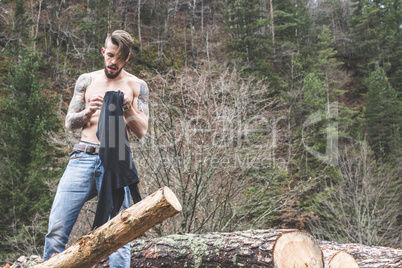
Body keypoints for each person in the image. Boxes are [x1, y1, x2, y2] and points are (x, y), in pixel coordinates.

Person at [43, 30, 149, 267]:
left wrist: (128, 109)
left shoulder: (137, 85)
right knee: (57, 228)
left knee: (119, 234)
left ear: (127, 58)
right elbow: (69, 123)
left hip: (117, 158)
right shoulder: (86, 80)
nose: (114, 62)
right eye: (110, 55)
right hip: (82, 155)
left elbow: (141, 132)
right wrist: (87, 112)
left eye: (120, 58)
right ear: (103, 52)